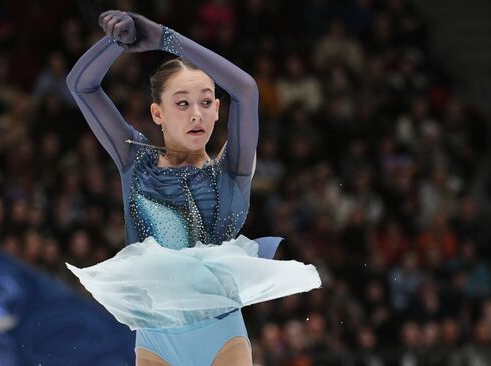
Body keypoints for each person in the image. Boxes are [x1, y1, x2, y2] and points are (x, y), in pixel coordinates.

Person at [65, 10, 321, 366]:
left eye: (205, 102)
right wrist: (116, 41)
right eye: (182, 104)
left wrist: (165, 38)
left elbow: (246, 90)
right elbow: (81, 86)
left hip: (221, 337)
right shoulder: (133, 161)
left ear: (218, 110)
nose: (196, 114)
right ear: (158, 113)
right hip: (155, 340)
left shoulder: (232, 169)